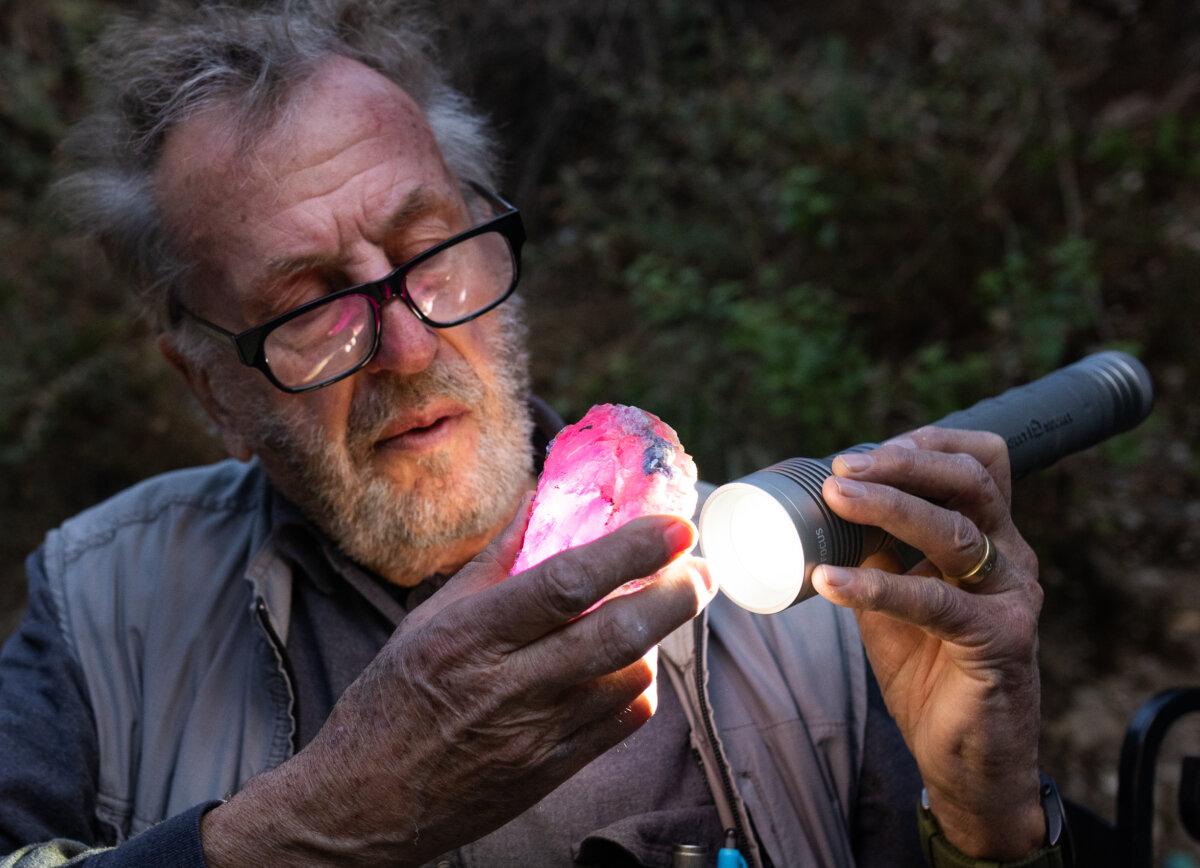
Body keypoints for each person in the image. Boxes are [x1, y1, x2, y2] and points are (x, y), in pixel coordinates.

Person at [0, 2, 1057, 866]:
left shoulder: (809, 613)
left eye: (430, 248)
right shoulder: (105, 612)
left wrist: (990, 825)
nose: (409, 345)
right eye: (309, 302)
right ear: (208, 385)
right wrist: (305, 830)